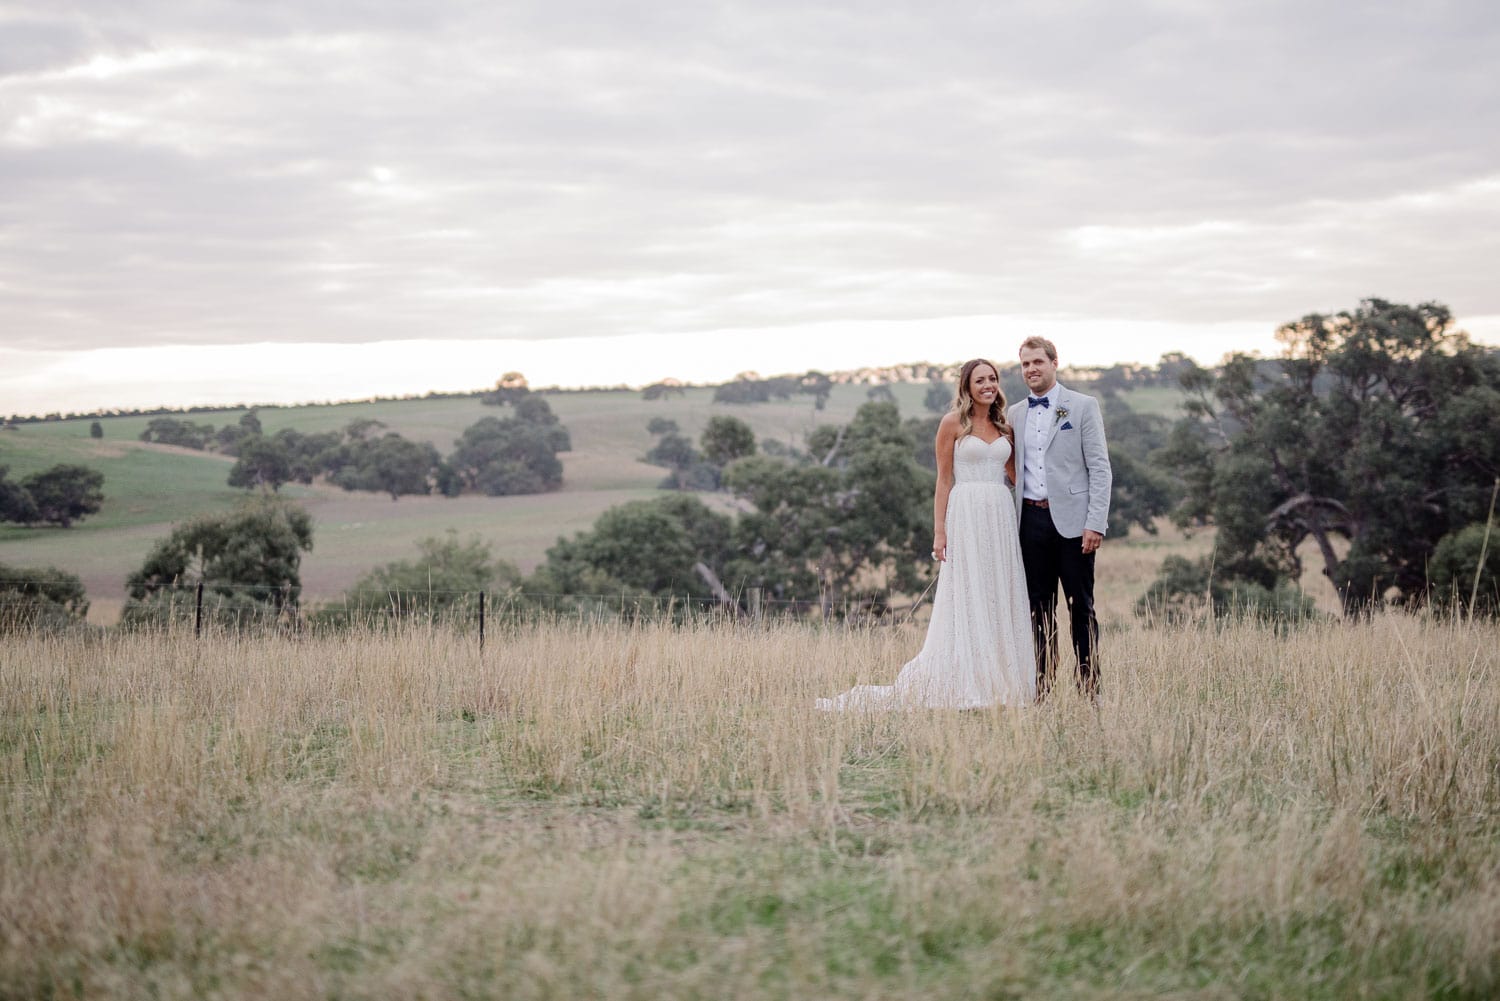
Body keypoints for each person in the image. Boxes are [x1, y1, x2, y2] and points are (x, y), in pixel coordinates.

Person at [817, 359, 1035, 710]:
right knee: (969, 590)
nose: (988, 385)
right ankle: (965, 677)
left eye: (992, 378)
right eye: (980, 380)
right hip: (964, 512)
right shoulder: (952, 423)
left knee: (998, 589)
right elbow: (944, 479)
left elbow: (1013, 475)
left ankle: (1001, 677)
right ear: (967, 386)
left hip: (999, 513)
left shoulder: (1004, 426)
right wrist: (940, 531)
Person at [1007, 336, 1112, 702]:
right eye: (1025, 364)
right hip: (1030, 524)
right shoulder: (1015, 414)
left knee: (1080, 608)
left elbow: (1099, 467)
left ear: (1054, 363)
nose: (1031, 369)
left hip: (1073, 524)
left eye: (1038, 362)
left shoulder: (1082, 406)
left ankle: (1089, 689)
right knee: (1039, 611)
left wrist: (1095, 522)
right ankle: (1044, 691)